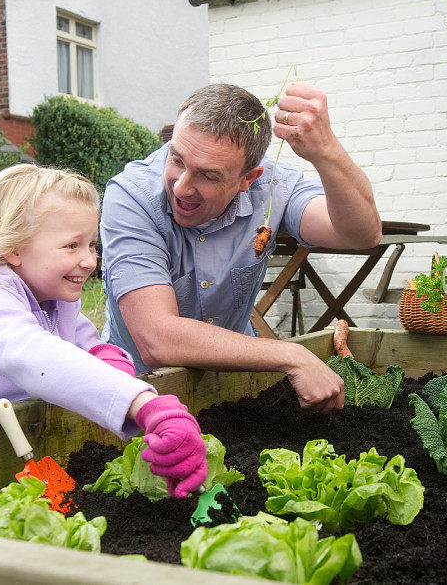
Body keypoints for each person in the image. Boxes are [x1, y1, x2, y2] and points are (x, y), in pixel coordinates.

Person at [0, 164, 206, 499]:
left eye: (91, 244)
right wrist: (146, 405)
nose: (89, 260)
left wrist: (114, 369)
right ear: (13, 248)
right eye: (71, 246)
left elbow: (85, 344)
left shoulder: (50, 296)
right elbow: (35, 355)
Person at [100, 82, 382, 414]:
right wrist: (292, 355)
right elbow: (157, 337)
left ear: (249, 178)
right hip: (136, 395)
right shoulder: (132, 197)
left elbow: (361, 233)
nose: (181, 186)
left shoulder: (273, 187)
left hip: (230, 390)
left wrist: (326, 150)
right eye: (176, 158)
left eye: (208, 175)